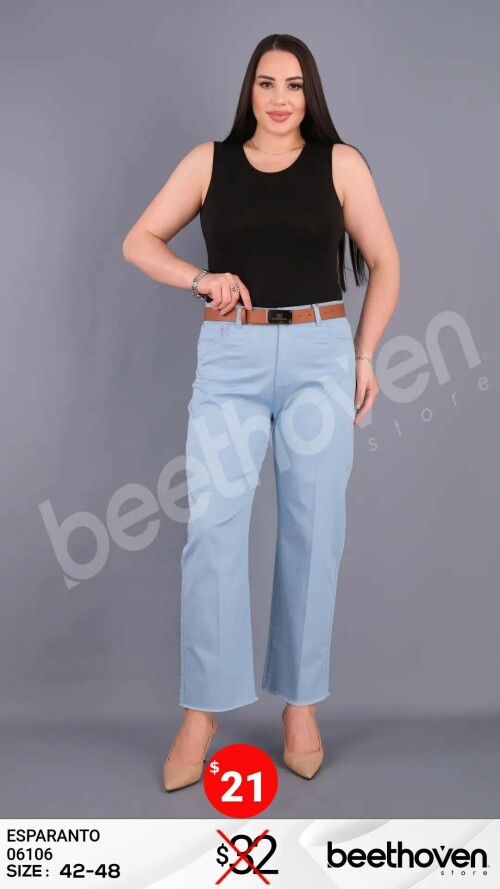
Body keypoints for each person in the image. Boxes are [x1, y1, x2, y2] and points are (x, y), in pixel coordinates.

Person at [122, 33, 400, 792]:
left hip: (319, 355)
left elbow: (386, 262)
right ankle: (202, 712)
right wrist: (198, 278)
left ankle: (301, 705)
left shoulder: (341, 164)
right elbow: (139, 241)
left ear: (312, 95)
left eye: (296, 85)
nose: (281, 99)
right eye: (268, 83)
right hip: (232, 358)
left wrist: (364, 355)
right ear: (250, 89)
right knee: (212, 529)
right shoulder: (207, 162)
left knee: (315, 530)